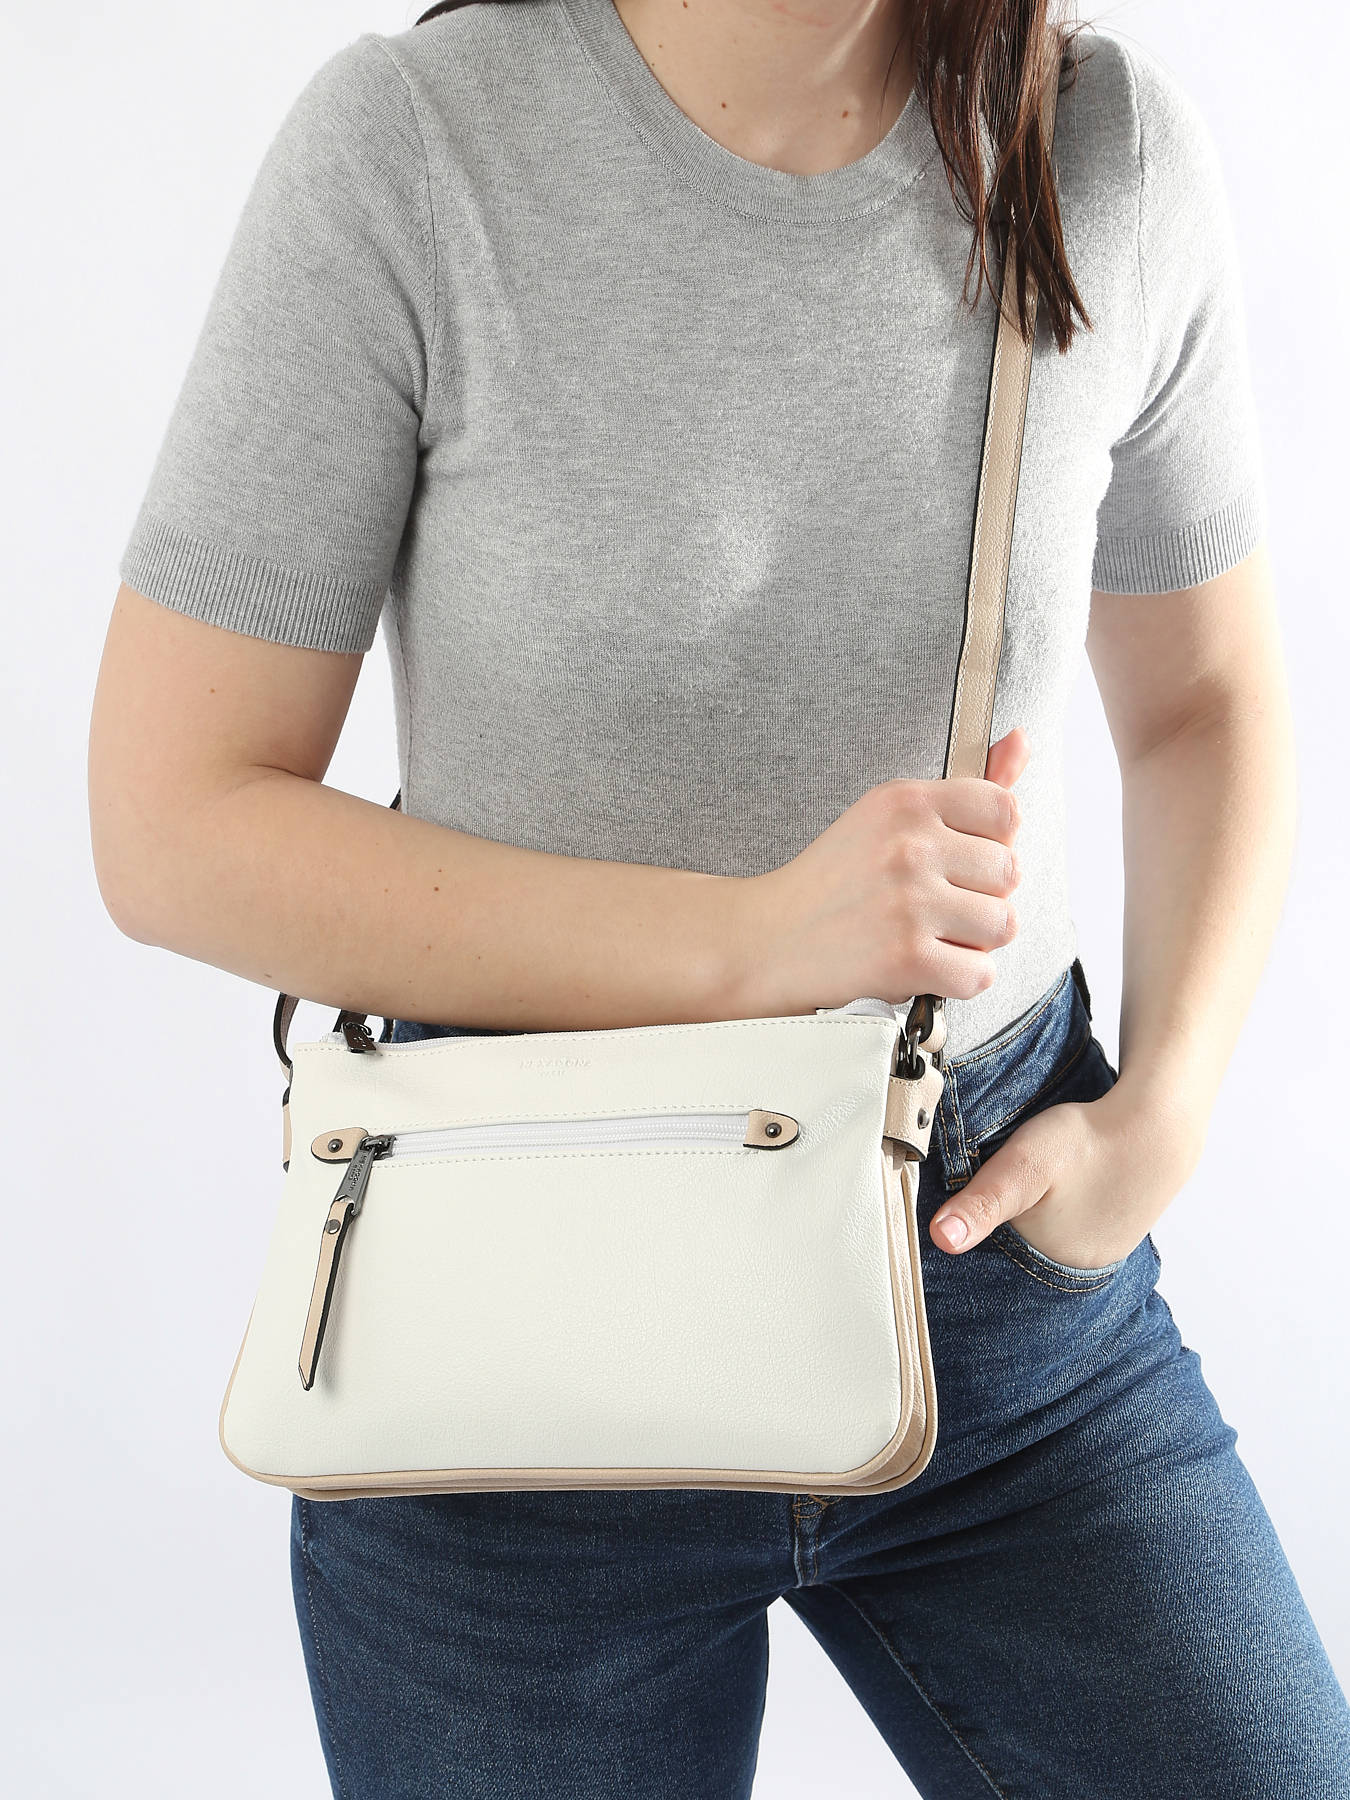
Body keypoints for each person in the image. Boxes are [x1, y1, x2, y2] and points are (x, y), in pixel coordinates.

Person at [88, 0, 1350, 1793]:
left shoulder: (1097, 146)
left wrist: (1166, 1109)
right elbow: (172, 820)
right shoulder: (415, 145)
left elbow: (1204, 700)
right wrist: (752, 941)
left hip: (991, 1263)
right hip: (510, 1319)